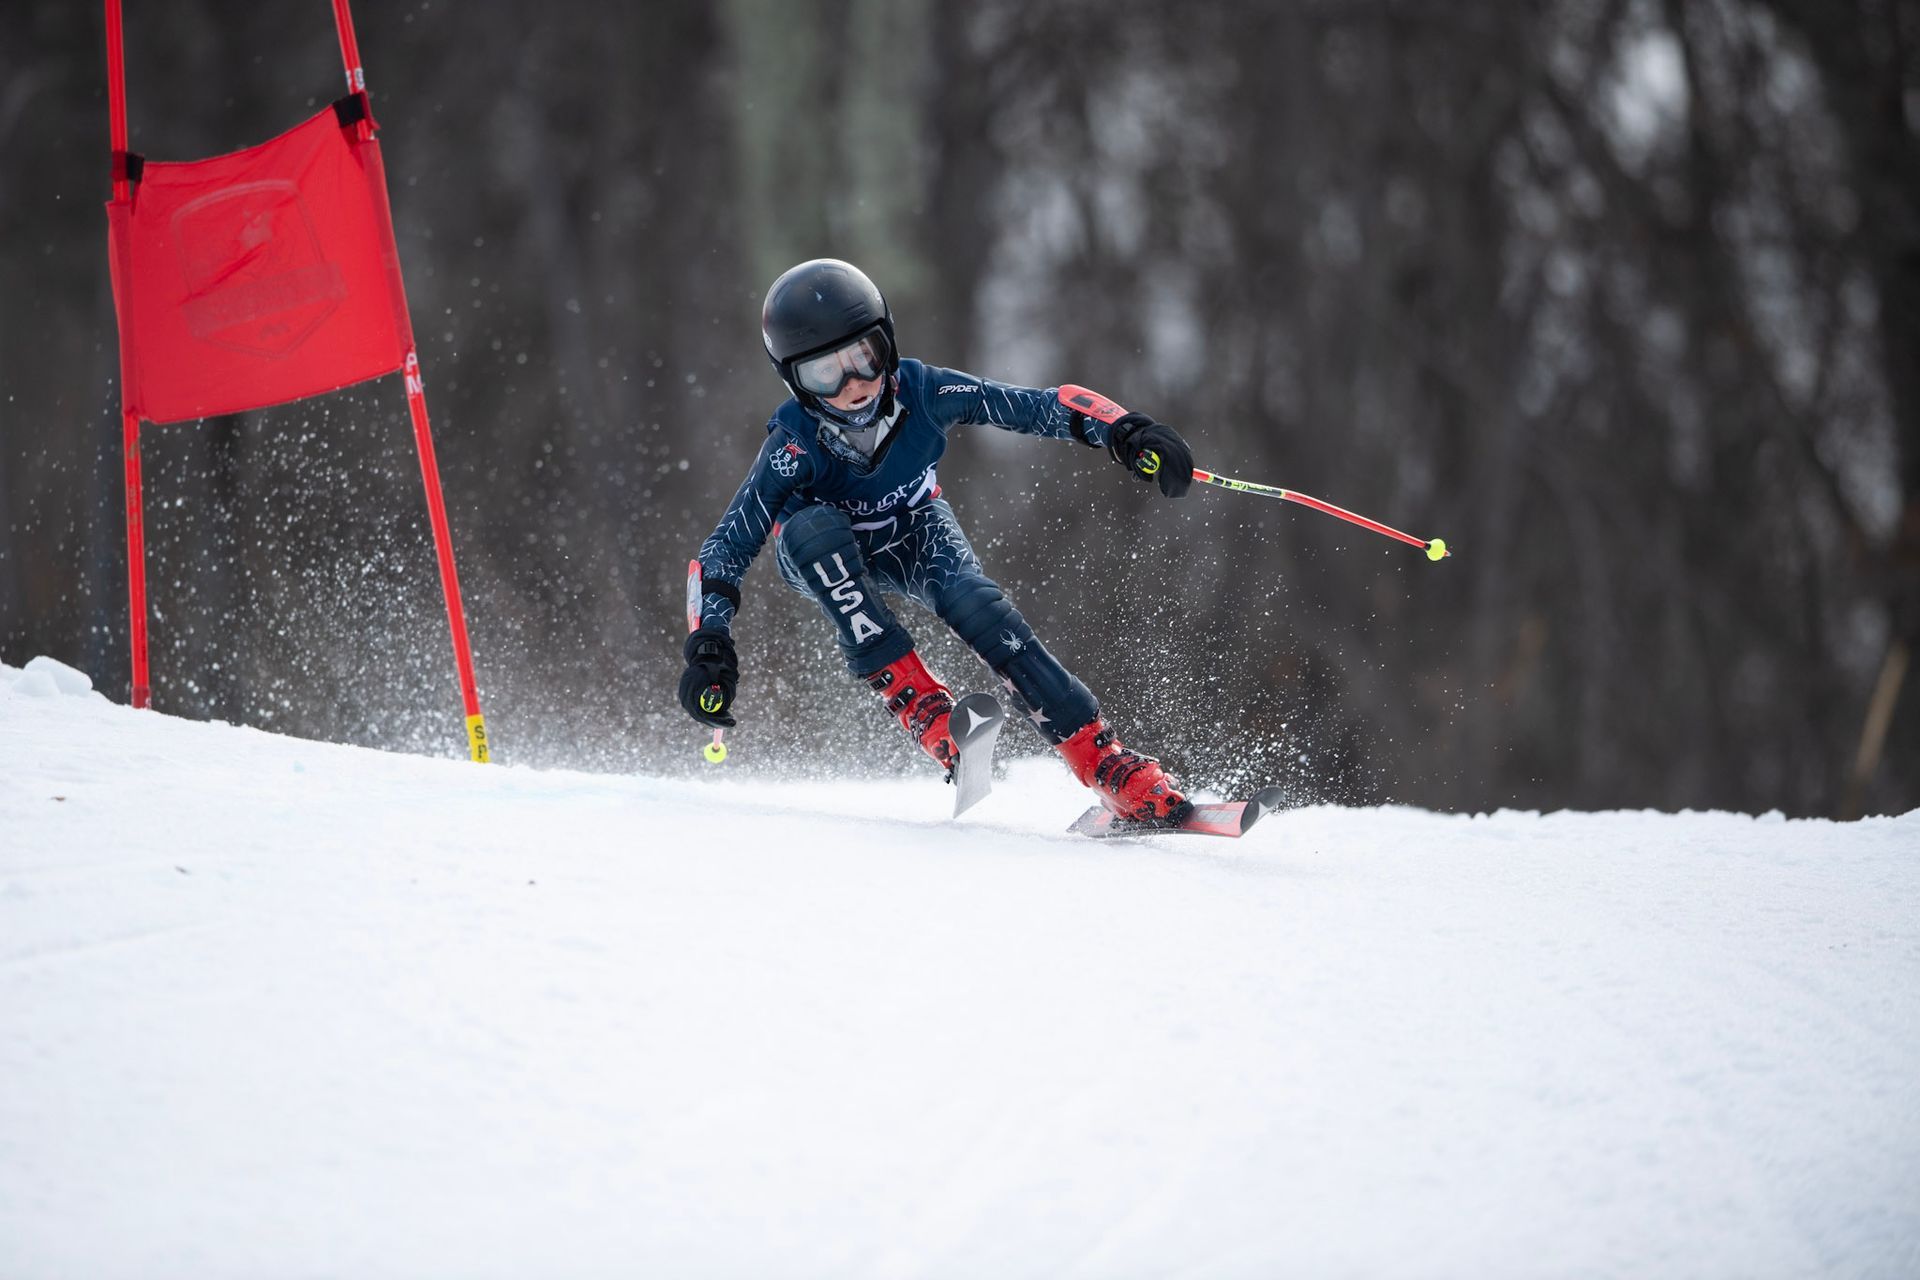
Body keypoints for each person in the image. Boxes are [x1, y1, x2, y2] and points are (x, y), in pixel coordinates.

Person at [679, 258, 1197, 823]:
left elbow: (1036, 406)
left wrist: (1124, 431)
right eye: (824, 374)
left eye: (864, 357)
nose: (853, 385)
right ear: (792, 380)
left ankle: (1102, 760)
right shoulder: (790, 447)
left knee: (978, 606)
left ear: (889, 344)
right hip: (821, 553)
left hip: (915, 527)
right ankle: (921, 704)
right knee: (815, 531)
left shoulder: (924, 390)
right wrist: (710, 646)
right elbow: (723, 553)